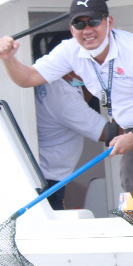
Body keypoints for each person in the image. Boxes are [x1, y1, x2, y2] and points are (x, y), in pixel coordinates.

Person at [0, 0, 133, 199]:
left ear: (109, 22)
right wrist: (8, 59)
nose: (87, 30)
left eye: (94, 22)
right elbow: (28, 78)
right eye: (79, 24)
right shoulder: (69, 51)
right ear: (72, 29)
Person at [35, 70, 107, 209]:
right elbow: (107, 133)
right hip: (49, 179)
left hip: (49, 173)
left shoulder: (56, 81)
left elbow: (80, 105)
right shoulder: (64, 98)